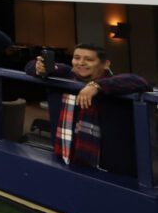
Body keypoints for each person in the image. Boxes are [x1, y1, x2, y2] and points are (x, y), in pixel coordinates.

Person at [25, 45, 151, 177]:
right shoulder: (65, 76)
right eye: (76, 58)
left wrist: (97, 85)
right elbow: (31, 66)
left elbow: (139, 81)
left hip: (111, 166)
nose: (81, 63)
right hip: (66, 158)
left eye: (89, 59)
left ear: (105, 64)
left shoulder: (115, 85)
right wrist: (38, 67)